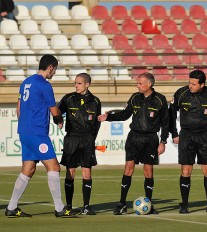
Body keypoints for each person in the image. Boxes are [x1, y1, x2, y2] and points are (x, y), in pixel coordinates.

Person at [5, 54, 74, 218]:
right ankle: (59, 208)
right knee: (54, 167)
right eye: (55, 69)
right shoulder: (44, 85)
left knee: (28, 169)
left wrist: (26, 125)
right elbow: (54, 109)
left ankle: (11, 207)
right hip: (37, 133)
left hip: (24, 131)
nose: (54, 73)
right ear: (50, 67)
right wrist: (59, 119)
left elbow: (19, 110)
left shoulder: (25, 82)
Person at [98, 72, 169, 215]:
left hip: (150, 139)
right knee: (128, 169)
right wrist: (108, 117)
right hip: (134, 138)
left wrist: (163, 141)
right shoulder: (135, 97)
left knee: (148, 171)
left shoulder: (160, 100)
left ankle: (148, 204)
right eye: (137, 83)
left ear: (149, 84)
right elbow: (124, 115)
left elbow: (166, 123)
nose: (137, 86)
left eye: (140, 83)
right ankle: (122, 204)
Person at [169, 69, 207, 214]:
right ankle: (184, 205)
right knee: (186, 171)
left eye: (193, 84)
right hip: (186, 136)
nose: (190, 86)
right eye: (189, 82)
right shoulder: (181, 93)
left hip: (204, 136)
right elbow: (171, 113)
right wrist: (174, 132)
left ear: (202, 84)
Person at [58, 73, 101, 215]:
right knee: (70, 173)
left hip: (87, 140)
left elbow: (97, 123)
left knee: (87, 172)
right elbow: (57, 112)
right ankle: (69, 206)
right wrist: (57, 120)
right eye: (75, 83)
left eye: (79, 83)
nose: (76, 86)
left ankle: (86, 206)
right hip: (72, 139)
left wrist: (92, 138)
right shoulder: (68, 98)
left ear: (87, 84)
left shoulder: (95, 101)